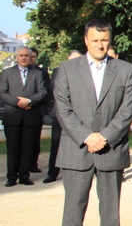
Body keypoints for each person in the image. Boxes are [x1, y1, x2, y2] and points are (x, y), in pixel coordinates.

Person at [47, 19, 132, 226]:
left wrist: (105, 136)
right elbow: (62, 108)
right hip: (77, 148)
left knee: (110, 209)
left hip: (111, 148)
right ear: (86, 41)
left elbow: (128, 108)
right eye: (95, 40)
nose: (100, 44)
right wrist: (87, 136)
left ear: (110, 41)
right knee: (73, 210)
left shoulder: (125, 70)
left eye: (104, 40)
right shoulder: (66, 69)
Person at [1, 46, 47, 186]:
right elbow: (2, 93)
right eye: (21, 55)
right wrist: (18, 102)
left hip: (30, 115)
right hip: (12, 116)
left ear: (30, 57)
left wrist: (29, 101)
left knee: (27, 147)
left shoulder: (37, 73)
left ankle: (24, 176)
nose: (24, 58)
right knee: (13, 148)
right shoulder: (7, 73)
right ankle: (11, 176)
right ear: (17, 57)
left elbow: (42, 92)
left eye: (26, 55)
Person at [43, 50, 83, 183]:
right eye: (73, 59)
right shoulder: (59, 70)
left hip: (79, 113)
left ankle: (78, 171)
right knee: (56, 144)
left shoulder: (85, 72)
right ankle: (52, 173)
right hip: (60, 114)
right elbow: (54, 87)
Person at [28, 47, 50, 173]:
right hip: (21, 110)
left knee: (35, 139)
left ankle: (33, 164)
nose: (31, 59)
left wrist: (31, 102)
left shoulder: (42, 72)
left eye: (33, 57)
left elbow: (45, 90)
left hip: (37, 109)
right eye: (29, 56)